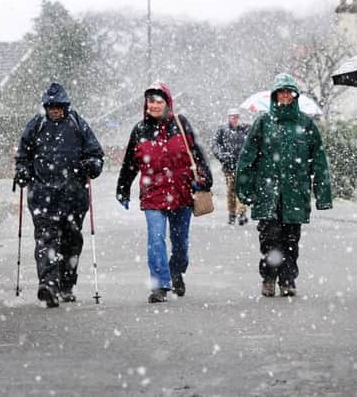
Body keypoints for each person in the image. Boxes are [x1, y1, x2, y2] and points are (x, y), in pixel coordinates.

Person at [235, 73, 332, 297]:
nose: (285, 96)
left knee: (291, 239)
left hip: (295, 193)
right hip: (267, 192)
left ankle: (288, 279)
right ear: (275, 95)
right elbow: (247, 157)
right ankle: (269, 277)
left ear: (295, 95)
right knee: (269, 237)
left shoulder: (306, 124)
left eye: (289, 92)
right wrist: (245, 189)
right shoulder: (263, 122)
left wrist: (323, 193)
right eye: (282, 92)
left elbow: (318, 160)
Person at [116, 82, 213, 303]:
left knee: (180, 244)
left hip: (182, 192)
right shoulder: (140, 130)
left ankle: (176, 271)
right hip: (153, 194)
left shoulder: (182, 124)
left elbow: (198, 153)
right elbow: (130, 164)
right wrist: (123, 189)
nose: (155, 105)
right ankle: (159, 284)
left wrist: (205, 179)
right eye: (151, 101)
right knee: (155, 238)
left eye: (159, 101)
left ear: (168, 103)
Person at [14, 82, 104, 307]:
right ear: (45, 107)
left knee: (71, 241)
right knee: (46, 239)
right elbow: (22, 155)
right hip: (43, 195)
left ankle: (66, 285)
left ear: (65, 106)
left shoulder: (77, 124)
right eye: (50, 106)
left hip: (73, 196)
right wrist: (22, 171)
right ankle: (48, 285)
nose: (54, 110)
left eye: (58, 106)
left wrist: (92, 165)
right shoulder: (36, 125)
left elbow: (96, 154)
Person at [211, 108, 251, 225]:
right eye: (232, 117)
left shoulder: (246, 129)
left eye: (236, 116)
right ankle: (232, 213)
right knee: (231, 190)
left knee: (242, 190)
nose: (234, 119)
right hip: (229, 166)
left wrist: (248, 157)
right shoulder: (222, 130)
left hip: (243, 166)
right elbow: (215, 145)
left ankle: (242, 212)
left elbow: (253, 143)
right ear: (228, 118)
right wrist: (222, 156)